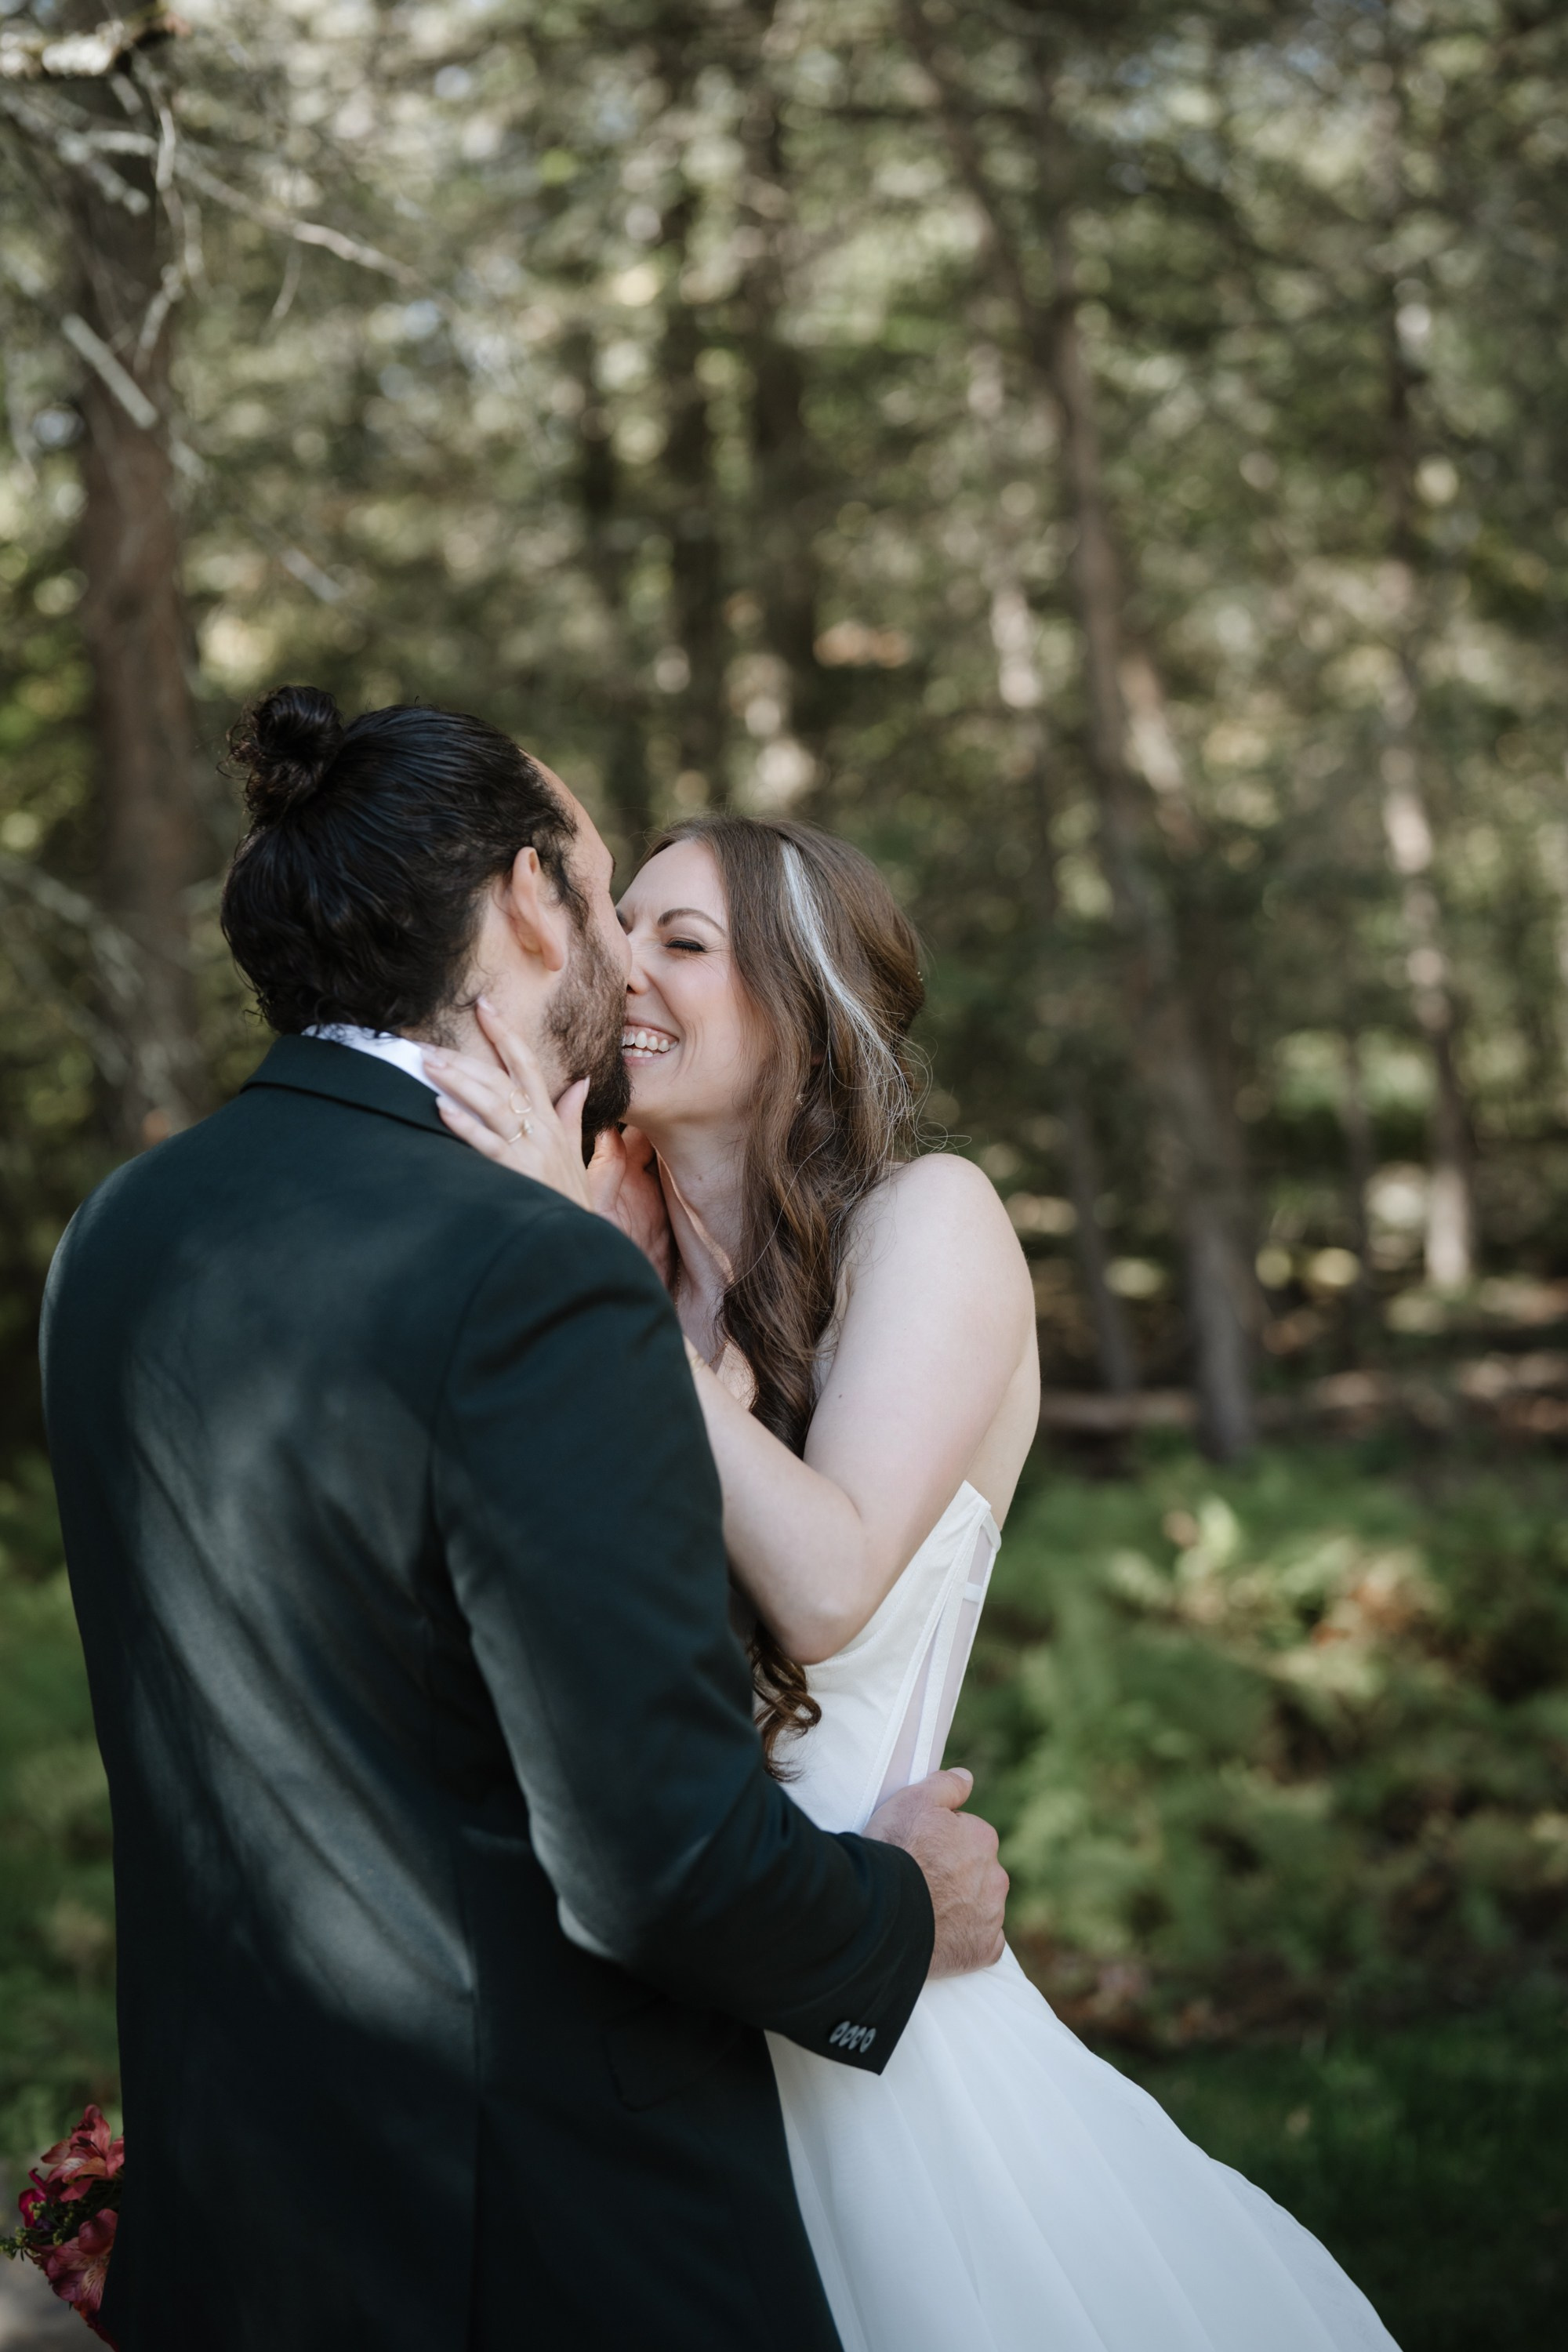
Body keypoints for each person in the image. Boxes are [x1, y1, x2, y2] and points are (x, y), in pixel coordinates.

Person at [38, 688, 1008, 2352]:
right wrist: (907, 1905)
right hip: (544, 2230)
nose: (631, 969)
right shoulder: (530, 1267)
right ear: (526, 906)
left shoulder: (126, 1231)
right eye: (609, 894)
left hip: (252, 2201)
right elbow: (654, 1862)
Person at [435, 808, 1403, 2352]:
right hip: (651, 1994)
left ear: (806, 1008)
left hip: (867, 1987)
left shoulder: (928, 1221)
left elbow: (826, 1585)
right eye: (630, 934)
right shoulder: (613, 1244)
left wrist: (590, 1282)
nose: (627, 972)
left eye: (685, 943)